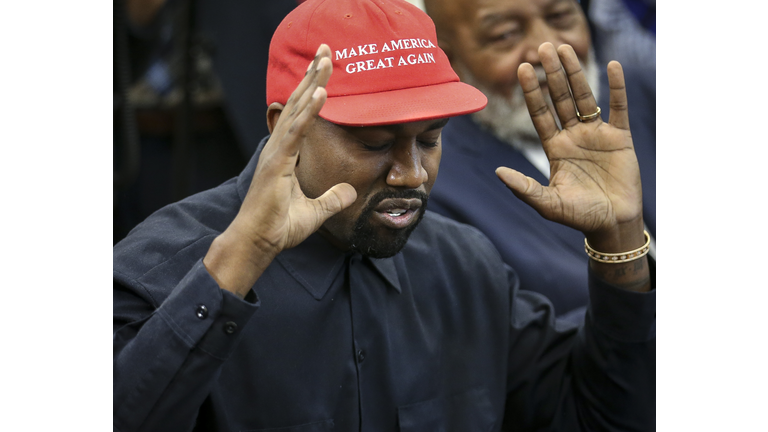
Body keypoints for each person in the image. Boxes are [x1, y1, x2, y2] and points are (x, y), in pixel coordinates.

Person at [113, 0, 655, 430]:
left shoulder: (463, 266)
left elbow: (600, 414)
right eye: (373, 143)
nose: (411, 174)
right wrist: (236, 267)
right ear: (286, 127)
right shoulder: (161, 267)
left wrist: (618, 240)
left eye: (431, 139)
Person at [422, 0, 656, 321]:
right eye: (505, 35)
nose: (549, 48)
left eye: (560, 17)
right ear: (448, 58)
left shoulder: (641, 93)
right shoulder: (432, 182)